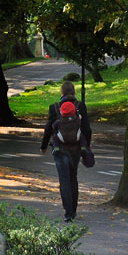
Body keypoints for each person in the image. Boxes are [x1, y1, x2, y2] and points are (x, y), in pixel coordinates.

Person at [40, 81, 93, 222]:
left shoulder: (54, 107)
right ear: (74, 92)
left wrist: (44, 145)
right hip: (75, 149)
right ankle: (74, 210)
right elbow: (87, 129)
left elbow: (48, 128)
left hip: (59, 150)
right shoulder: (80, 106)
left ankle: (68, 213)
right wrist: (86, 147)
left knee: (64, 180)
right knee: (73, 178)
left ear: (61, 93)